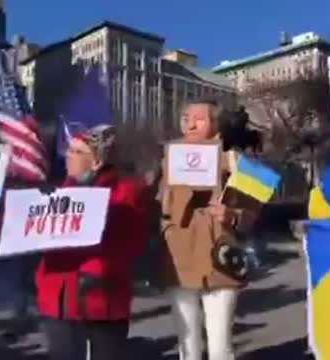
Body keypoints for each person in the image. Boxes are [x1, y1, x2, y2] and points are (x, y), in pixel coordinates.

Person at [35, 124, 147, 360]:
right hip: (59, 297)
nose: (67, 155)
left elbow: (133, 243)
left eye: (76, 152)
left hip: (101, 297)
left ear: (96, 161)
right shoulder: (58, 192)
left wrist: (103, 217)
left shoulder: (126, 192)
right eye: (69, 149)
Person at [159, 99, 256, 360]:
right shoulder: (168, 159)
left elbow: (253, 211)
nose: (190, 123)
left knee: (219, 348)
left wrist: (232, 215)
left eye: (199, 118)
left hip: (220, 259)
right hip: (179, 258)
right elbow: (156, 206)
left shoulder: (234, 159)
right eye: (185, 117)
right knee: (187, 345)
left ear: (215, 125)